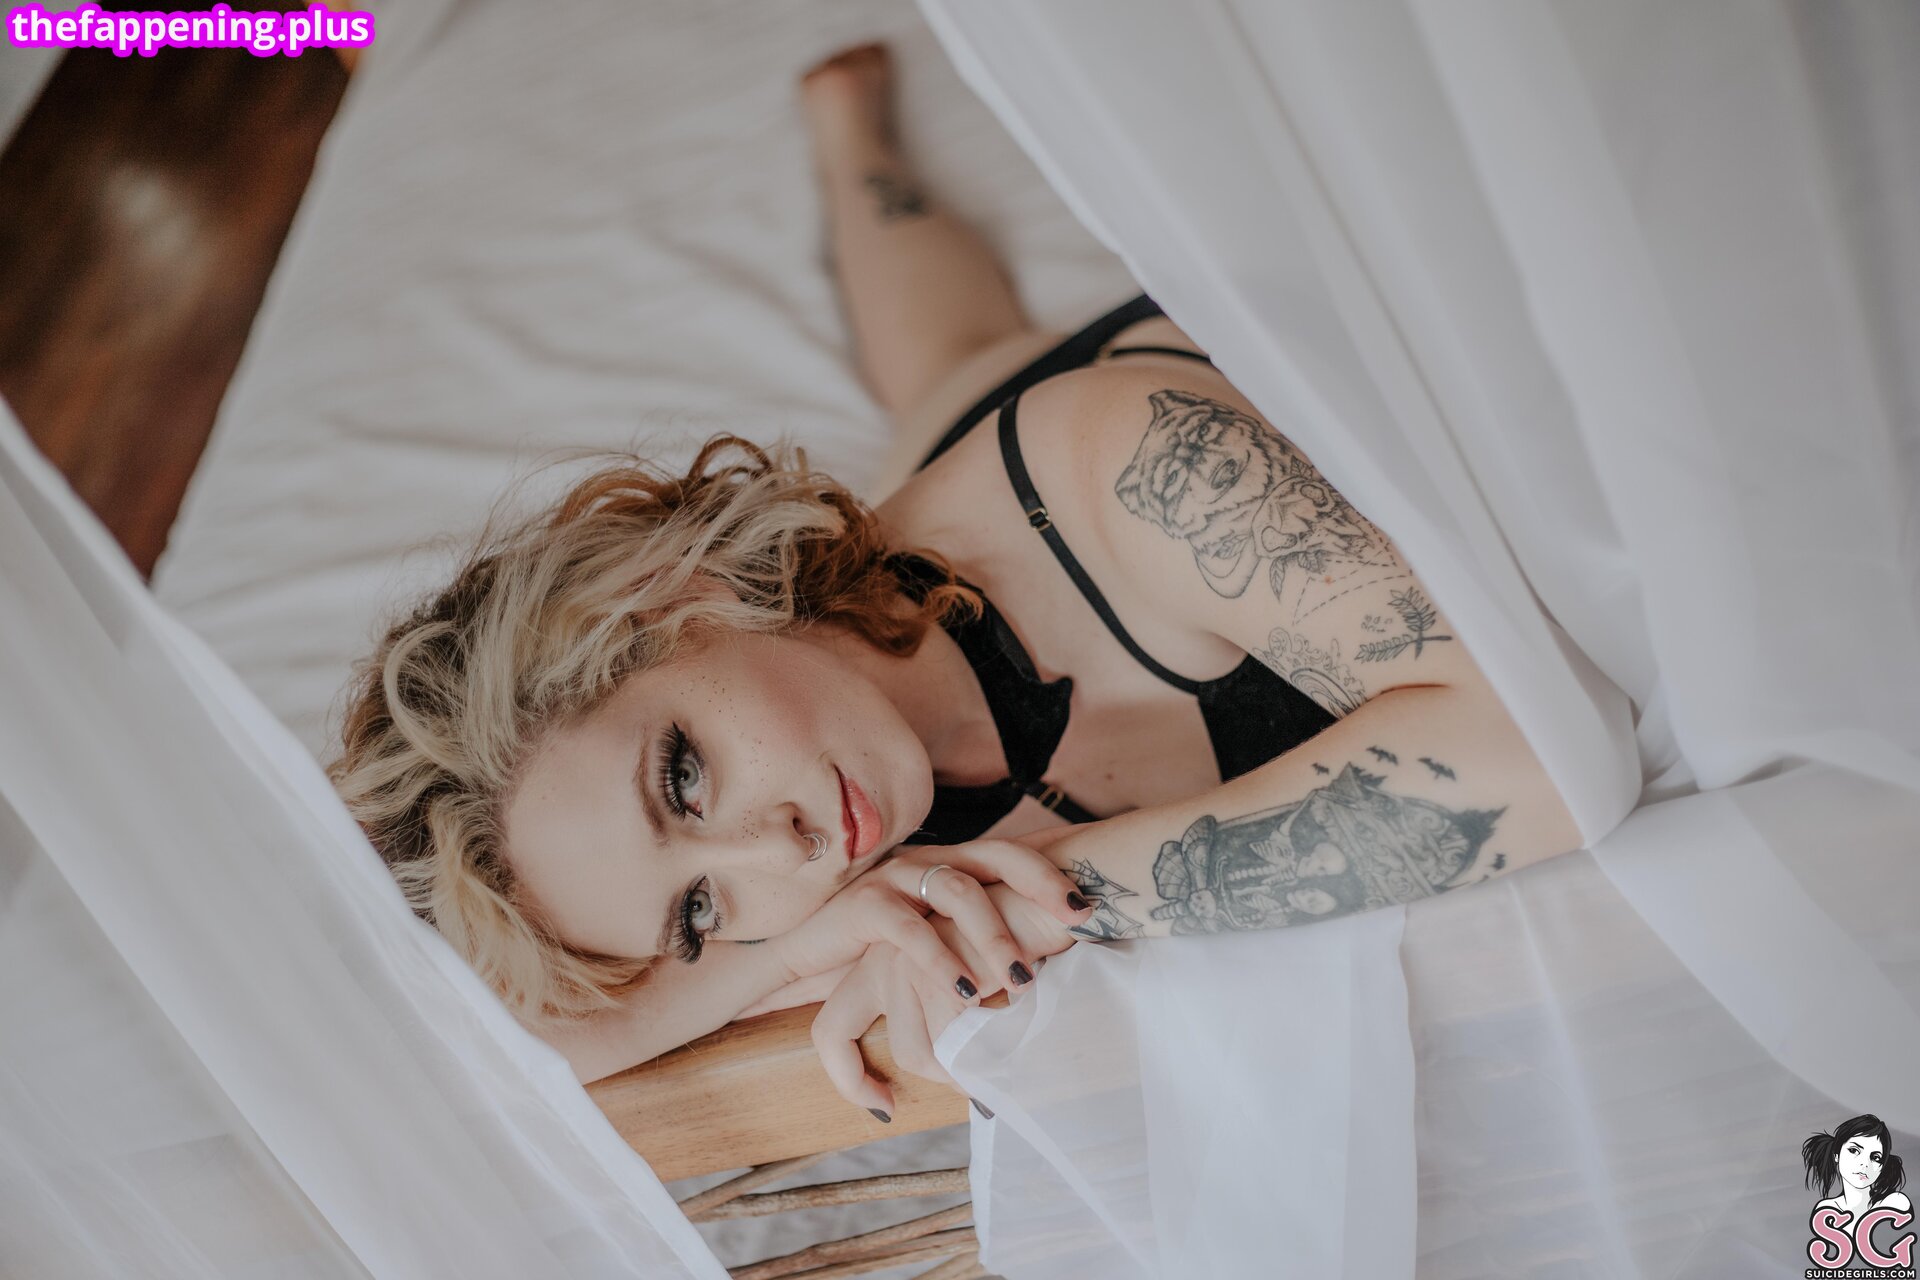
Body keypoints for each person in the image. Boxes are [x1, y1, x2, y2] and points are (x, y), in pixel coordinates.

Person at [324, 41, 1583, 1119]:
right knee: (944, 362)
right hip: (908, 555)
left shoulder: (1118, 462)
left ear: (678, 601)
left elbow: (1547, 757)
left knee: (970, 368)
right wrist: (793, 945)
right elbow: (486, 1072)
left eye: (685, 777)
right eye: (696, 912)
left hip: (1125, 418)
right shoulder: (816, 857)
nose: (783, 854)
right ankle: (852, 144)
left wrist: (1043, 895)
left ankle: (861, 165)